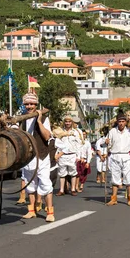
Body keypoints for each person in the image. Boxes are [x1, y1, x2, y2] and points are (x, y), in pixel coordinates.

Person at [20, 92, 55, 222]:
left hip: (41, 155)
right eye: (27, 104)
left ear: (36, 104)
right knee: (30, 184)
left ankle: (50, 211)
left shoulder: (44, 119)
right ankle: (31, 210)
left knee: (45, 183)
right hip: (28, 157)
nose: (29, 106)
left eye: (32, 104)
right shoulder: (22, 118)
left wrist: (39, 121)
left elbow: (47, 136)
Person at [105, 113, 130, 206]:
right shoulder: (112, 131)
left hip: (126, 156)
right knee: (115, 178)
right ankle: (113, 198)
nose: (121, 123)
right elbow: (108, 144)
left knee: (128, 178)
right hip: (115, 155)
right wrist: (106, 142)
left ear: (126, 122)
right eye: (120, 121)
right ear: (117, 122)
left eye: (123, 121)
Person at [54, 116, 82, 196]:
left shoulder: (76, 132)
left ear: (72, 122)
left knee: (73, 173)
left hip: (72, 155)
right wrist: (57, 155)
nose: (67, 123)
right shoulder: (60, 132)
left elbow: (78, 145)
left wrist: (78, 156)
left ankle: (73, 189)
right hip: (63, 155)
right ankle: (61, 190)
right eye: (66, 121)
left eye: (69, 122)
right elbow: (57, 144)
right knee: (62, 173)